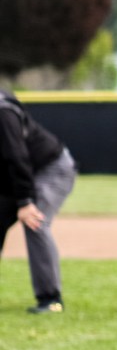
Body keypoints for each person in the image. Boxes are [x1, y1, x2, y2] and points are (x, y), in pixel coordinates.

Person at [0, 90, 77, 313]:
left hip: (52, 169)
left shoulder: (3, 113)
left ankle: (51, 299)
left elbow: (17, 156)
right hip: (17, 175)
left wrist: (25, 202)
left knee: (35, 221)